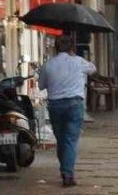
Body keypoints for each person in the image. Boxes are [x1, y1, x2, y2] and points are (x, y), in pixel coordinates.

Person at [37, 35, 96, 187]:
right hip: (74, 104)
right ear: (71, 48)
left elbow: (41, 86)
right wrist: (74, 56)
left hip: (55, 105)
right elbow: (92, 69)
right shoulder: (78, 61)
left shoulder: (48, 65)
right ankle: (67, 174)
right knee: (70, 140)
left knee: (61, 139)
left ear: (56, 48)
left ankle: (65, 170)